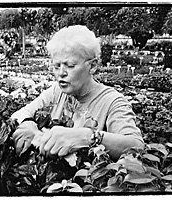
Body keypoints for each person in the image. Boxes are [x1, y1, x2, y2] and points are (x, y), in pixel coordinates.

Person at [11, 25, 144, 161]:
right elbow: (20, 114)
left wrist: (87, 137)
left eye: (70, 66)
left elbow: (136, 146)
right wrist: (29, 125)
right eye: (57, 66)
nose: (61, 73)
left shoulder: (112, 102)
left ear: (92, 66)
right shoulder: (57, 92)